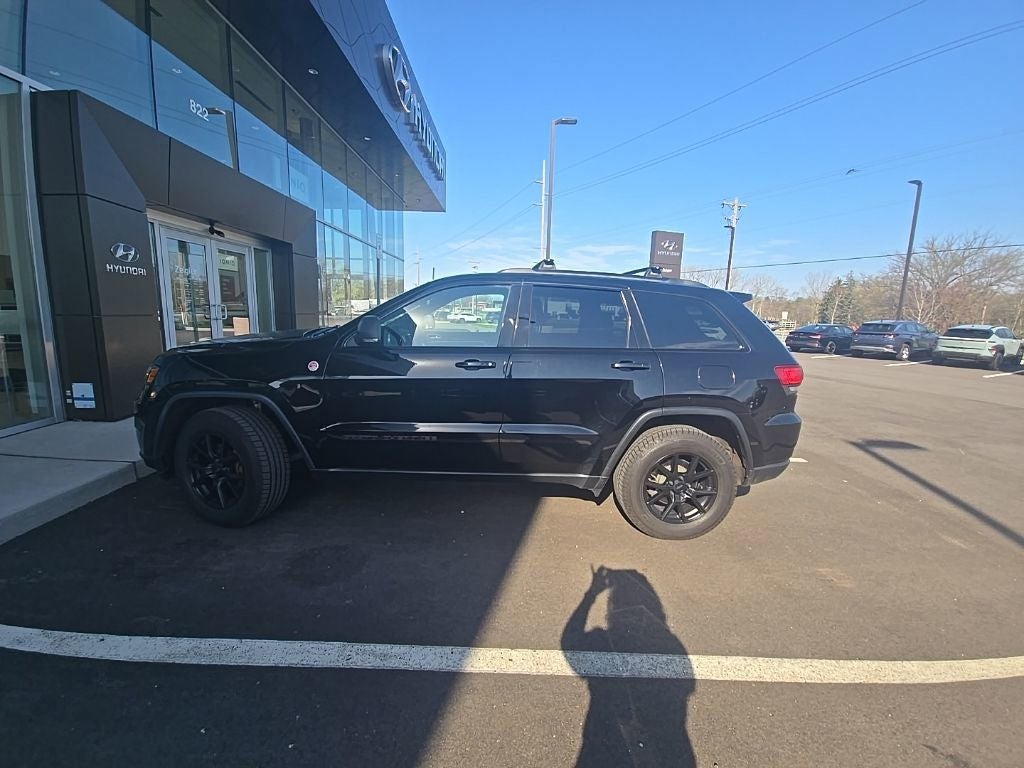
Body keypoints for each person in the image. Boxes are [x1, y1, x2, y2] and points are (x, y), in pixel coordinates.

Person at [561, 566, 695, 767]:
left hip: (604, 747)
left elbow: (570, 642)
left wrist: (590, 596)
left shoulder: (604, 643)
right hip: (667, 749)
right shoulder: (668, 645)